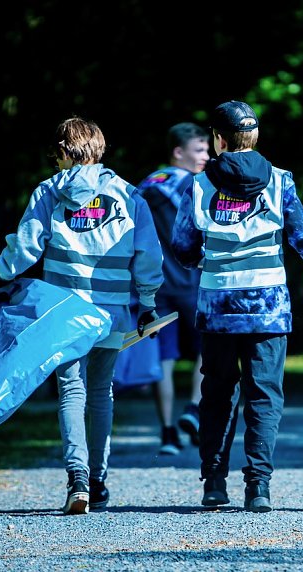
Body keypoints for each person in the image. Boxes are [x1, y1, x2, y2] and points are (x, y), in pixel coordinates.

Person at [0, 117, 163, 513]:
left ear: (64, 152)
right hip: (112, 311)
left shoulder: (49, 192)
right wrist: (149, 301)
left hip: (63, 312)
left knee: (71, 391)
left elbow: (26, 246)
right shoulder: (129, 194)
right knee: (101, 392)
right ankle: (99, 478)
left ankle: (78, 478)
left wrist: (1, 273)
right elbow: (148, 255)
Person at [171, 100, 303, 513]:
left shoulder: (199, 185)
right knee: (264, 395)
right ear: (255, 137)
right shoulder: (281, 181)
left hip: (218, 308)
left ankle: (214, 483)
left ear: (219, 140)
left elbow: (184, 249)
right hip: (268, 307)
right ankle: (258, 487)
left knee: (217, 393)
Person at [136, 122, 209, 455]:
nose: (206, 156)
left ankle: (166, 432)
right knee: (207, 349)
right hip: (192, 283)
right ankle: (193, 409)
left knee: (162, 360)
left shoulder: (144, 185)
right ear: (178, 152)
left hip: (154, 289)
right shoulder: (192, 185)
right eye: (200, 150)